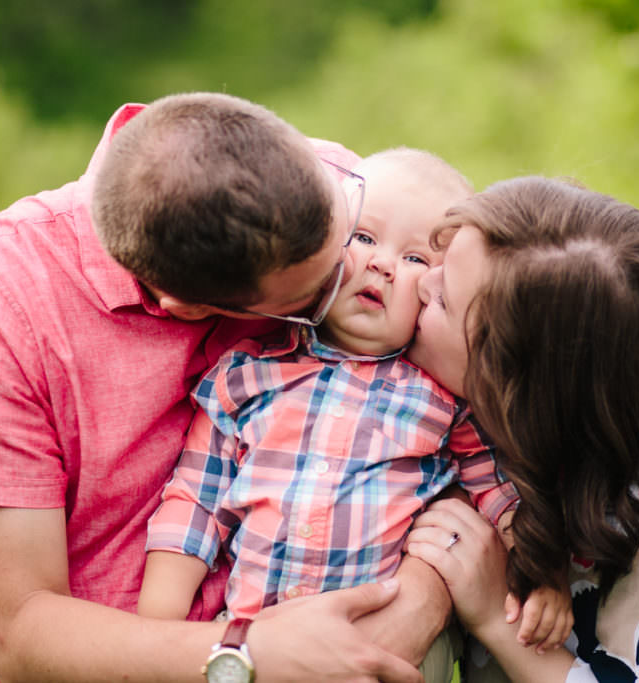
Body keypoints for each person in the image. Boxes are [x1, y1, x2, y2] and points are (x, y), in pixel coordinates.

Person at [0, 92, 446, 683]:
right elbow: (21, 631)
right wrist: (248, 655)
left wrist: (418, 601)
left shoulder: (328, 191)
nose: (362, 267)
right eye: (313, 298)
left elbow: (462, 406)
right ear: (190, 308)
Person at [137, 150, 573, 682]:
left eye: (416, 259)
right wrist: (158, 624)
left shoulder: (443, 398)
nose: (384, 264)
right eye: (364, 238)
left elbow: (498, 491)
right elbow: (196, 499)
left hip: (395, 640)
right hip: (264, 633)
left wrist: (542, 570)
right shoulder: (247, 375)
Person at [403, 176, 639, 681]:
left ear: (516, 385)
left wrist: (494, 617)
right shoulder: (495, 443)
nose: (421, 282)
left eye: (444, 299)